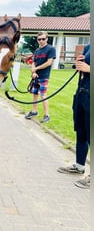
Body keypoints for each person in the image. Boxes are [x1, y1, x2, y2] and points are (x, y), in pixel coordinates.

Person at [57, 44, 90, 189]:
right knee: (81, 133)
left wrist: (89, 69)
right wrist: (80, 63)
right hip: (82, 94)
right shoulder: (89, 46)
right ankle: (79, 166)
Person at [25, 31, 56, 123]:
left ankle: (47, 115)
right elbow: (33, 62)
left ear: (47, 39)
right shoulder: (37, 50)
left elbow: (49, 62)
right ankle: (34, 111)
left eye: (43, 39)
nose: (41, 41)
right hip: (36, 76)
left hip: (44, 76)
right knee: (35, 94)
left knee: (43, 95)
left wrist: (36, 69)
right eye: (39, 39)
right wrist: (33, 71)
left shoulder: (50, 49)